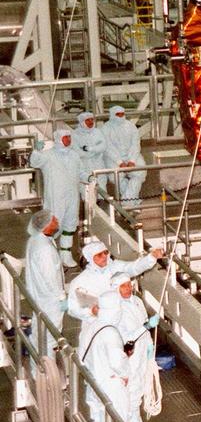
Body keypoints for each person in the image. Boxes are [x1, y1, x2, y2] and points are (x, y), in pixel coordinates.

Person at [79, 290, 144, 422]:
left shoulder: (93, 326)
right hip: (111, 387)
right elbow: (118, 363)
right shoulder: (111, 333)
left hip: (96, 384)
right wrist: (125, 367)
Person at [67, 239, 164, 324]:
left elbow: (134, 267)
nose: (104, 256)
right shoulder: (81, 281)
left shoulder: (115, 266)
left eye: (105, 252)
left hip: (122, 319)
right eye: (99, 255)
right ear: (90, 258)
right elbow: (73, 307)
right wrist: (91, 311)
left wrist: (152, 257)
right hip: (97, 324)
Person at [112, 273, 160, 422]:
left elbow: (143, 327)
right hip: (128, 357)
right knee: (129, 396)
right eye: (123, 286)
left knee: (137, 392)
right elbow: (126, 338)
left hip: (140, 354)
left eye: (129, 284)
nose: (128, 288)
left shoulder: (137, 301)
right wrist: (146, 327)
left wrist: (149, 347)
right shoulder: (117, 309)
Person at [30, 124, 85, 267]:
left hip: (72, 196)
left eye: (69, 137)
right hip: (56, 196)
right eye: (65, 137)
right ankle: (48, 256)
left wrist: (89, 177)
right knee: (53, 224)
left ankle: (65, 255)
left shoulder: (74, 155)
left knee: (70, 224)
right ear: (59, 139)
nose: (68, 140)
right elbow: (34, 162)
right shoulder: (48, 155)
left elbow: (81, 171)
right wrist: (36, 151)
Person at [23, 209, 65, 357]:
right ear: (46, 225)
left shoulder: (36, 239)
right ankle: (48, 372)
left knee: (38, 332)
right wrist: (61, 298)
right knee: (51, 337)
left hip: (39, 295)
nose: (57, 221)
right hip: (50, 299)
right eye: (53, 220)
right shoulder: (45, 249)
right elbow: (50, 277)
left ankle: (38, 370)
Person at [102, 106, 145, 208]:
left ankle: (127, 203)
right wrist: (119, 162)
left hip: (132, 156)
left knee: (140, 173)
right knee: (116, 177)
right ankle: (132, 201)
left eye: (122, 114)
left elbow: (136, 143)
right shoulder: (105, 128)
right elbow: (108, 147)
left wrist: (132, 160)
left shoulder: (130, 126)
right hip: (113, 158)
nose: (121, 116)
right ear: (112, 115)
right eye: (118, 114)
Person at [72, 111, 111, 192]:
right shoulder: (75, 135)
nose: (90, 122)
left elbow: (103, 146)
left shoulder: (97, 132)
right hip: (84, 166)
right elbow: (77, 152)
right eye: (88, 120)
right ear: (82, 122)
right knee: (86, 189)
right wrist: (94, 152)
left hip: (99, 164)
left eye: (92, 119)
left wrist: (90, 149)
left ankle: (102, 203)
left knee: (102, 187)